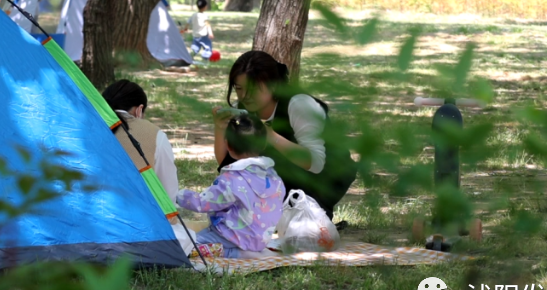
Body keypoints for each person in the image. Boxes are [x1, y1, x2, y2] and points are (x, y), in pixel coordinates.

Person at [212, 50, 357, 224]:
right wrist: (220, 127)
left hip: (326, 177)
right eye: (239, 89)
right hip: (282, 176)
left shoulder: (299, 104)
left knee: (300, 225)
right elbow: (229, 163)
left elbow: (317, 164)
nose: (245, 96)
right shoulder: (242, 109)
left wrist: (271, 136)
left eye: (252, 89)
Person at [102, 80, 194, 255]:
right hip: (136, 225)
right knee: (186, 236)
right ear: (139, 110)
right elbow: (168, 193)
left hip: (90, 225)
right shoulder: (153, 133)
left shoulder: (88, 127)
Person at [177, 116, 285, 257]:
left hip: (230, 237)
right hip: (260, 240)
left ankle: (236, 254)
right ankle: (247, 251)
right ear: (263, 144)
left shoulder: (232, 179)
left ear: (228, 145)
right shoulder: (274, 177)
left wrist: (175, 194)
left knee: (185, 246)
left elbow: (202, 202)